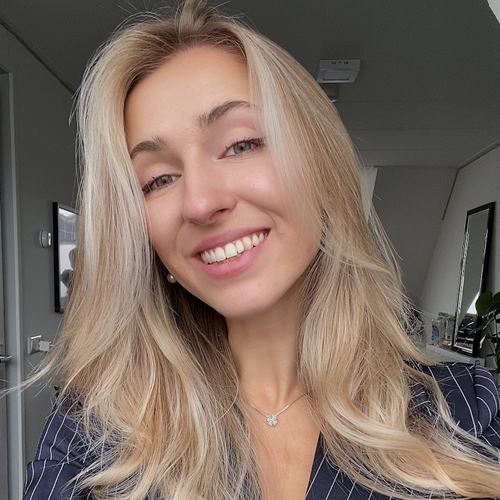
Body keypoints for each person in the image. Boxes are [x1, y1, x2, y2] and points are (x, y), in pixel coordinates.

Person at [23, 1, 500, 499]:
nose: (200, 202)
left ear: (320, 166)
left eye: (241, 144)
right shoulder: (93, 432)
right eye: (158, 180)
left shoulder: (466, 410)